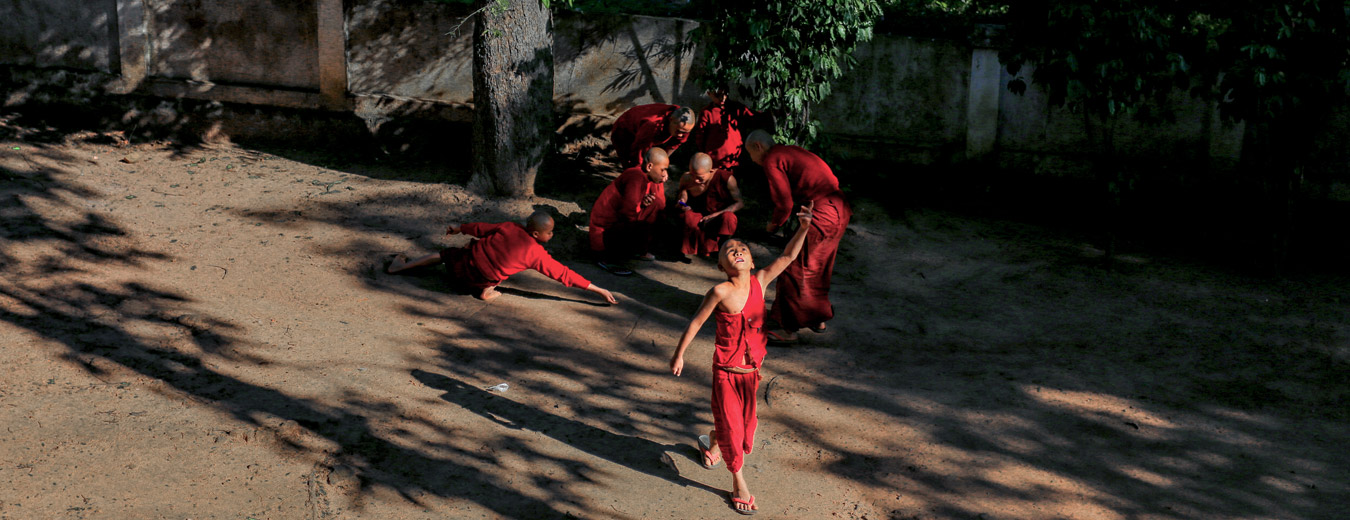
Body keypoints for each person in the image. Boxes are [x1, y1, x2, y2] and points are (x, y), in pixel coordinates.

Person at [668, 202, 814, 516]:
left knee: (746, 429)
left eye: (742, 248)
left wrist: (803, 228)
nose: (737, 250)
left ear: (751, 260)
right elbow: (695, 322)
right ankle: (739, 482)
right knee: (735, 431)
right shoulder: (720, 291)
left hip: (752, 373)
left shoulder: (761, 281)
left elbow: (787, 257)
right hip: (726, 372)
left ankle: (713, 442)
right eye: (729, 250)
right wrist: (679, 355)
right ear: (721, 265)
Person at [743, 129, 852, 343]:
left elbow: (784, 204)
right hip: (839, 209)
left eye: (750, 154)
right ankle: (817, 318)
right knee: (818, 266)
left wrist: (773, 225)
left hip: (821, 213)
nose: (752, 159)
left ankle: (788, 329)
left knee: (793, 267)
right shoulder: (790, 151)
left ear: (758, 146)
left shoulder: (772, 159)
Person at [386, 210, 618, 304]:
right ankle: (486, 292)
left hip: (460, 266)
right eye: (549, 232)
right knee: (499, 270)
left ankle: (400, 267)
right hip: (479, 281)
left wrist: (459, 228)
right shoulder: (537, 255)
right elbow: (563, 274)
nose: (552, 234)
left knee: (444, 254)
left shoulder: (508, 227)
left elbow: (480, 228)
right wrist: (597, 289)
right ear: (536, 234)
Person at [588, 147, 670, 275]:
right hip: (604, 232)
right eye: (663, 170)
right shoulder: (635, 177)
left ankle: (634, 250)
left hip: (616, 222)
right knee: (640, 222)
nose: (665, 174)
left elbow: (632, 203)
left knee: (656, 205)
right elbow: (627, 212)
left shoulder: (644, 175)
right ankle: (607, 259)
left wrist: (643, 203)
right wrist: (636, 234)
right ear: (649, 166)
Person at [674, 152, 744, 258]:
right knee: (687, 216)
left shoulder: (726, 178)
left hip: (718, 216)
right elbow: (683, 191)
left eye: (700, 178)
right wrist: (682, 199)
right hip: (698, 214)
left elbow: (740, 203)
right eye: (693, 175)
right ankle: (691, 249)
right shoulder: (687, 177)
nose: (695, 180)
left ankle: (722, 247)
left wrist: (714, 215)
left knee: (729, 218)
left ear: (710, 171)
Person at [610, 103, 696, 169]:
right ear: (671, 120)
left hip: (645, 134)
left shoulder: (684, 125)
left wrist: (660, 163)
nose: (681, 135)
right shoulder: (653, 125)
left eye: (685, 132)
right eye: (679, 131)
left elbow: (675, 144)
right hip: (624, 129)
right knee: (631, 166)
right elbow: (638, 151)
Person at [691, 89, 759, 171]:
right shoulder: (707, 112)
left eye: (725, 94)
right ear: (709, 94)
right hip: (714, 161)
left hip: (734, 159)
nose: (722, 98)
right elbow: (700, 137)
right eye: (717, 95)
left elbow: (753, 118)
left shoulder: (736, 108)